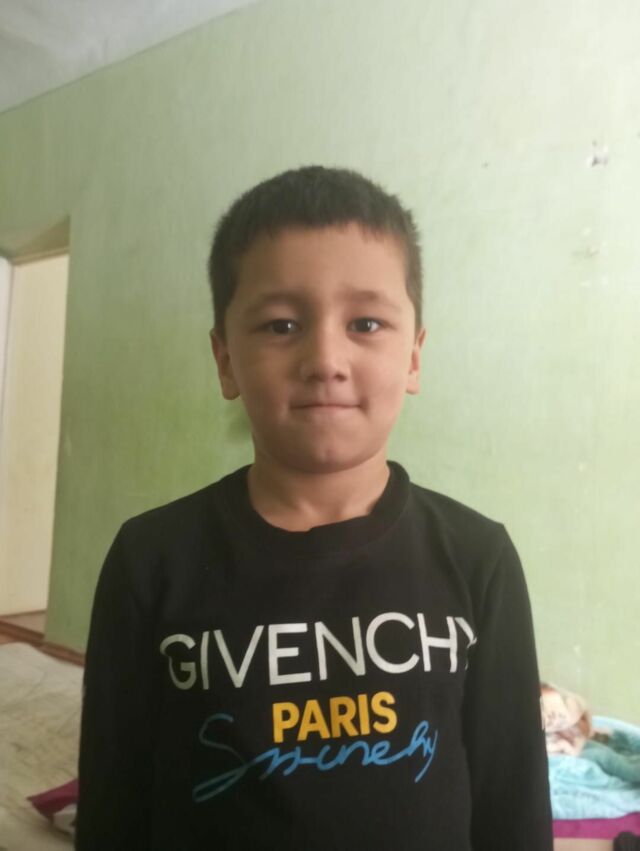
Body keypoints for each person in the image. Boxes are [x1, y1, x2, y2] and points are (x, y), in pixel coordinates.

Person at [75, 165, 553, 850]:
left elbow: (514, 802)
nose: (325, 358)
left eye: (366, 322)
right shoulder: (150, 559)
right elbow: (113, 801)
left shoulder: (479, 557)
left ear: (413, 358)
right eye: (281, 324)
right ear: (225, 360)